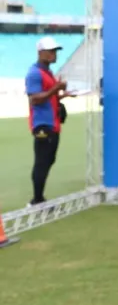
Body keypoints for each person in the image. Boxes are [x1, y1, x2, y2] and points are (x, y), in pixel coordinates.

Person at [24, 35, 75, 207]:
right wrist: (56, 89)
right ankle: (37, 200)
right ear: (41, 52)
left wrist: (61, 94)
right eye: (51, 51)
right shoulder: (34, 73)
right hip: (42, 123)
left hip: (52, 122)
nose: (54, 54)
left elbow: (48, 97)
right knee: (42, 160)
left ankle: (39, 198)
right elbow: (35, 99)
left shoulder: (47, 72)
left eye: (55, 51)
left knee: (49, 159)